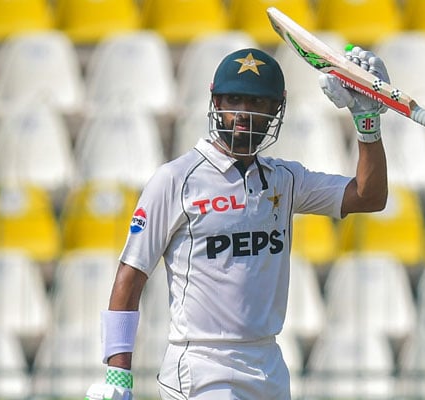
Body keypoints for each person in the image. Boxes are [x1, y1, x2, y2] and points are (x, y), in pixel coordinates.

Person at [85, 45, 390, 400]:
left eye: (257, 103)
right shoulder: (175, 179)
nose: (243, 113)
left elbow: (369, 197)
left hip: (268, 365)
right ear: (216, 103)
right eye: (234, 100)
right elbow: (131, 273)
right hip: (201, 364)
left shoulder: (285, 180)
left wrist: (367, 120)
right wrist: (117, 373)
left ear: (276, 108)